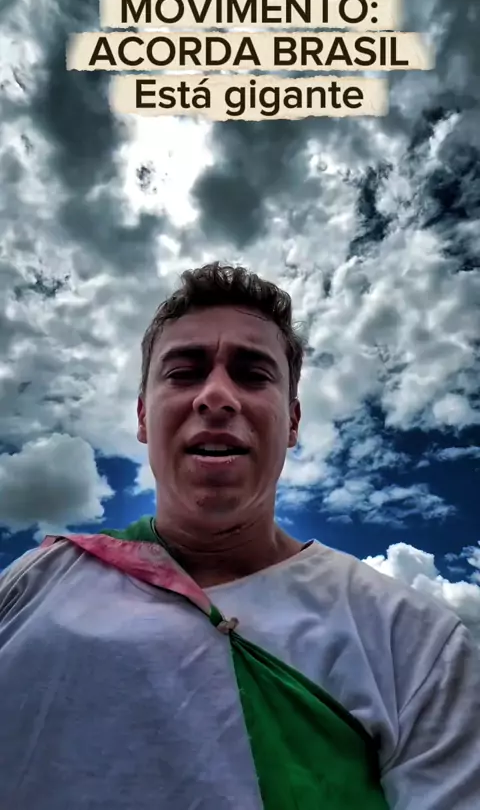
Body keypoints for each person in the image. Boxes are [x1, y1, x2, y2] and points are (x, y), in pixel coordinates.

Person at [0, 261, 479, 810]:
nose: (216, 397)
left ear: (293, 421)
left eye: (253, 375)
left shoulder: (413, 641)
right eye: (184, 372)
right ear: (142, 417)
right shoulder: (33, 585)